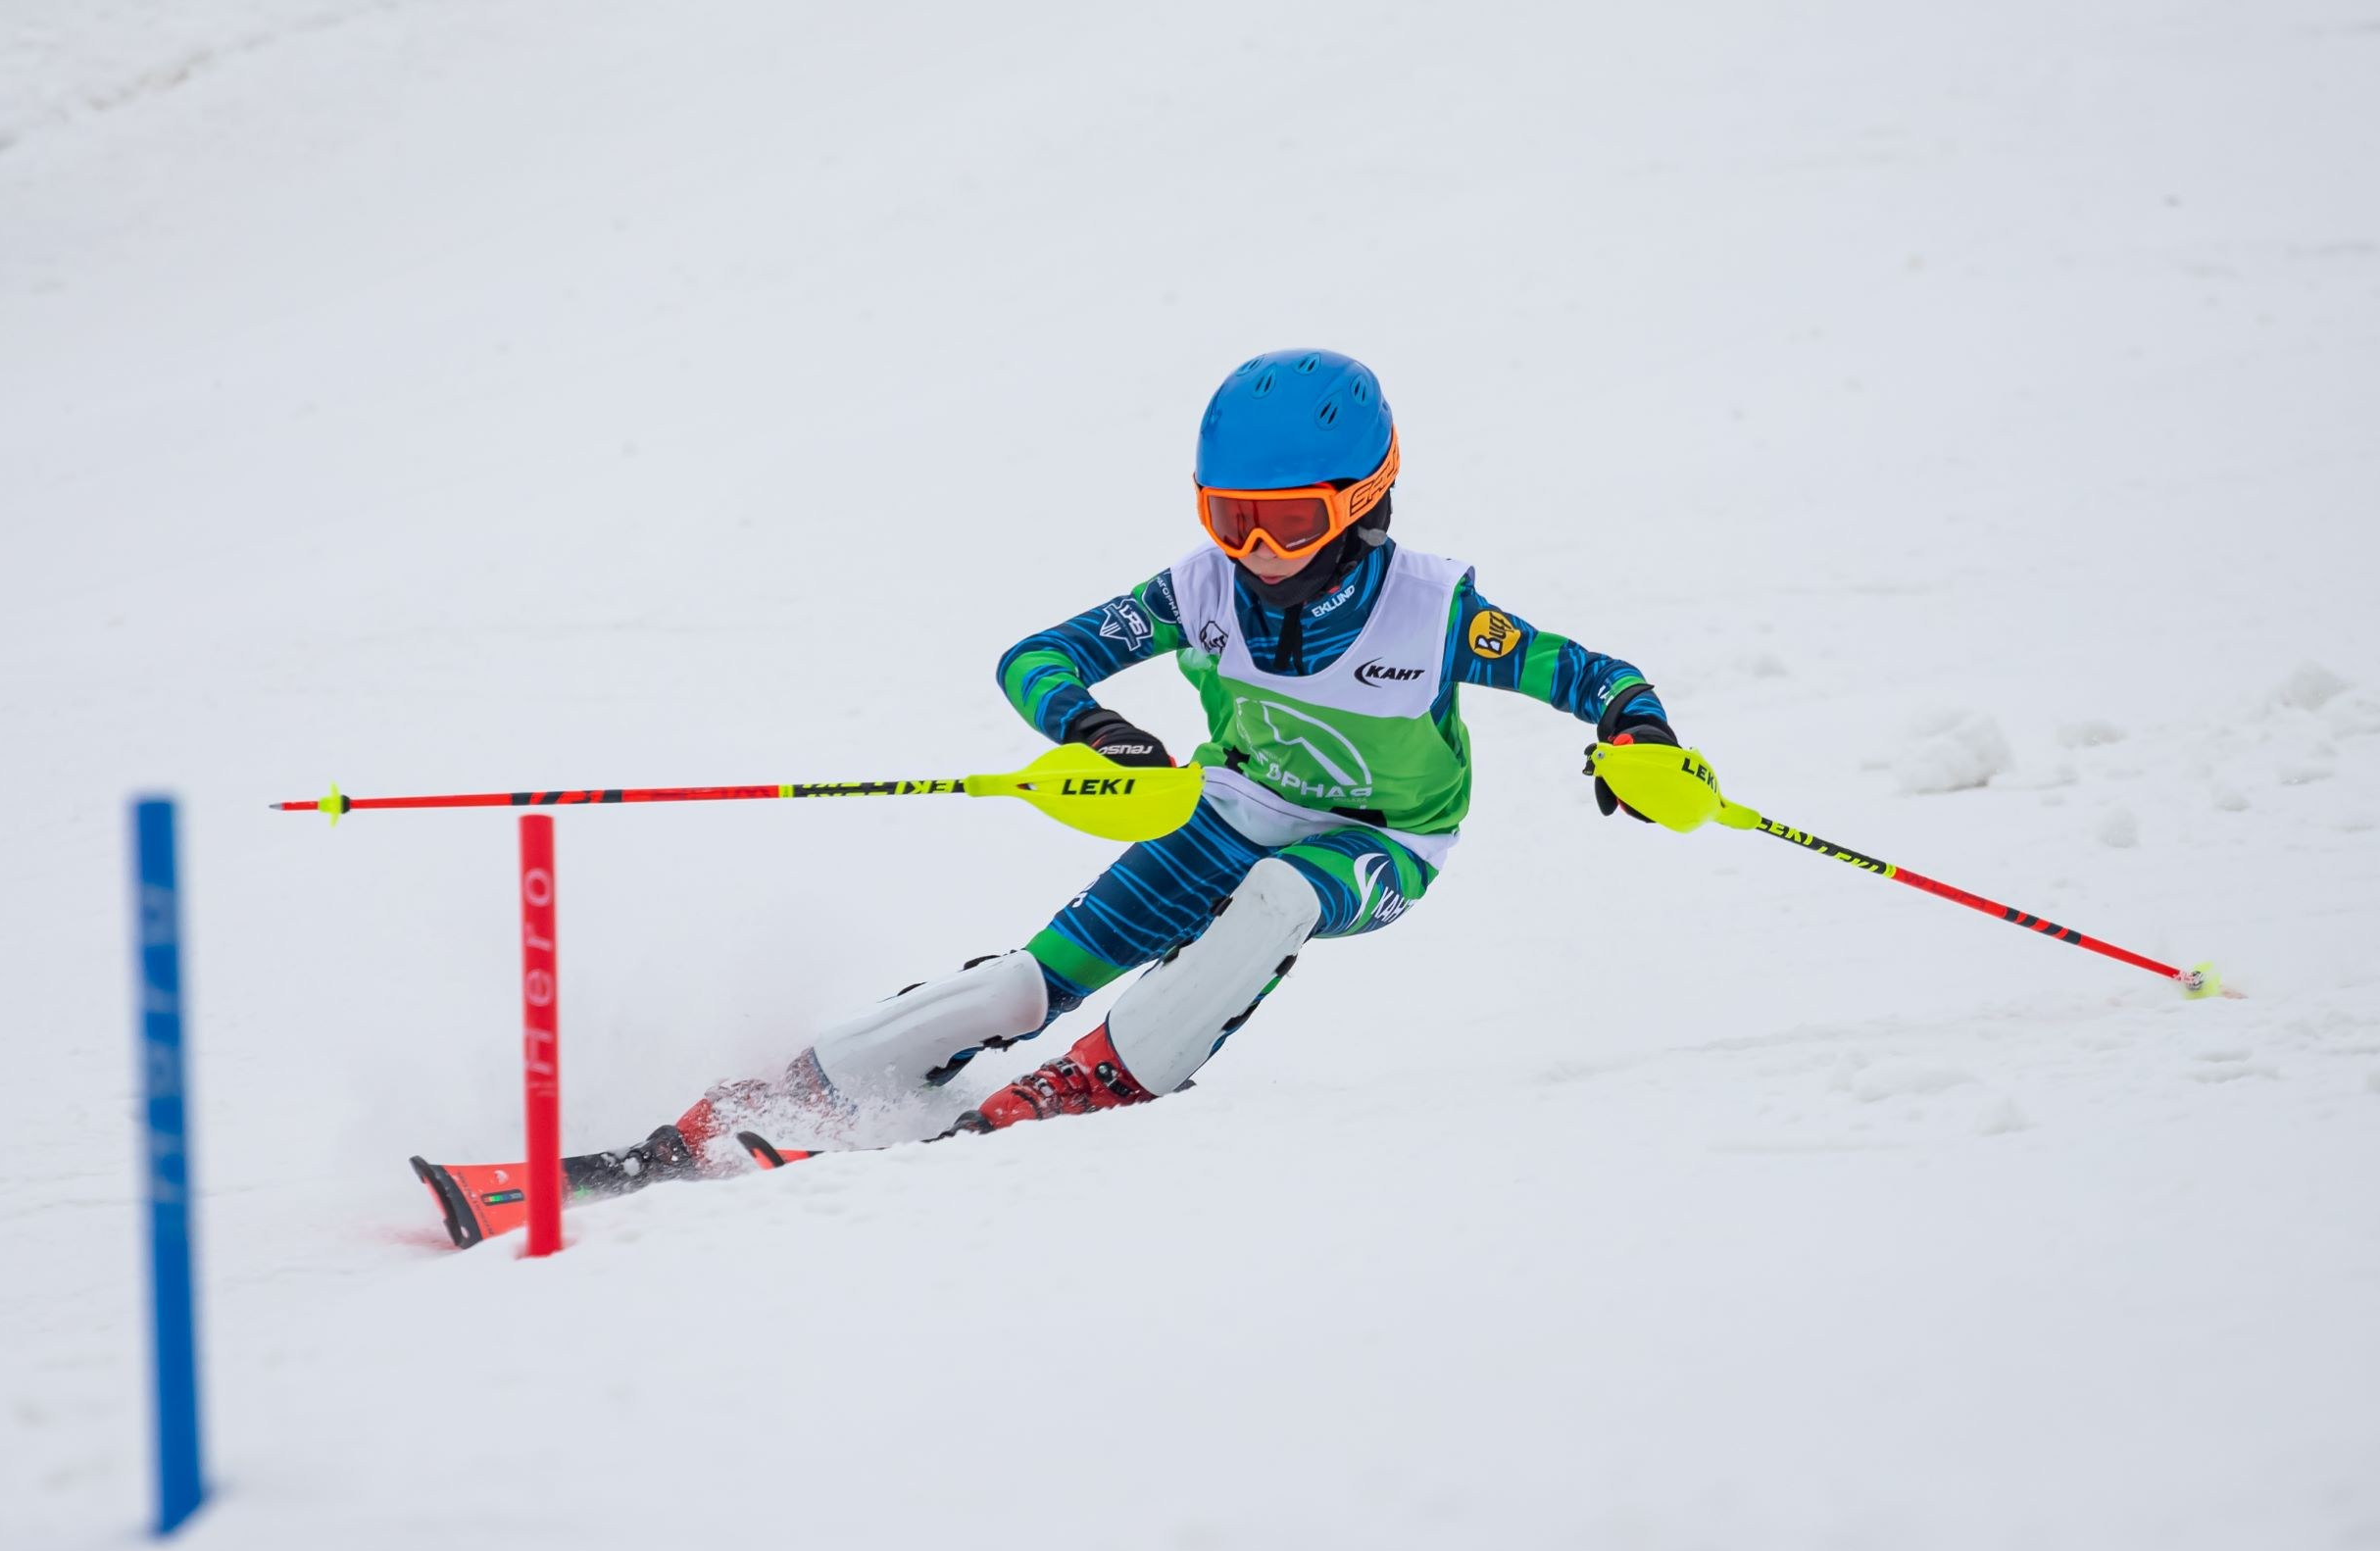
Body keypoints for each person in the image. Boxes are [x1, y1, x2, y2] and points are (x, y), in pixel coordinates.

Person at [655, 350, 1679, 1170]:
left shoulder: (1432, 611)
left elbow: (1599, 677)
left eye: (1290, 521)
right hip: (1226, 809)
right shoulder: (1200, 590)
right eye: (1231, 518)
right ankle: (781, 1091)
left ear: (1365, 503)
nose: (1258, 553)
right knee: (1023, 984)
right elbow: (1036, 658)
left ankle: (1092, 1081)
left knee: (1278, 895)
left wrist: (1639, 735)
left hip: (1383, 841)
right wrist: (1090, 726)